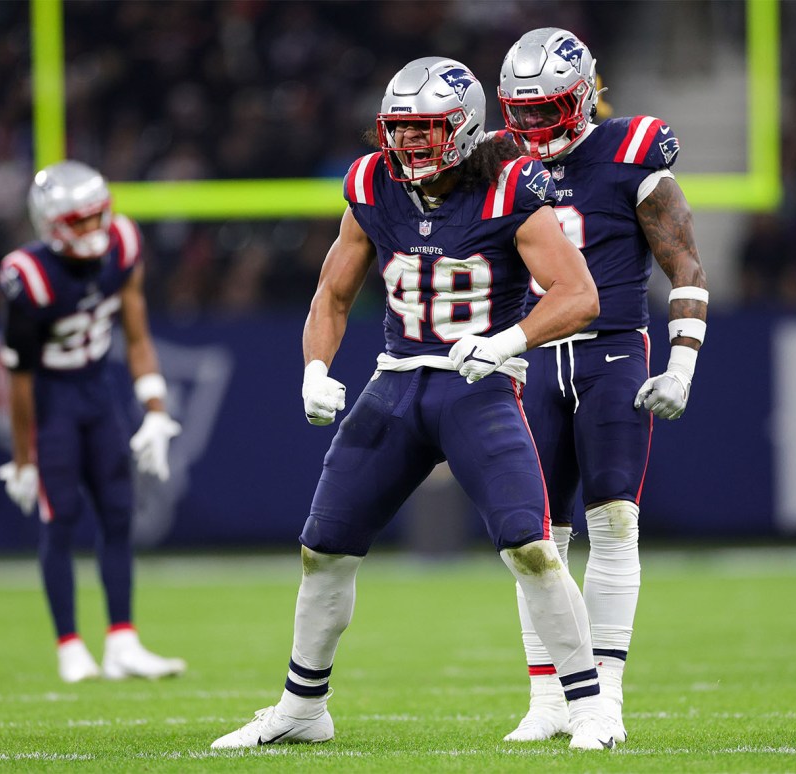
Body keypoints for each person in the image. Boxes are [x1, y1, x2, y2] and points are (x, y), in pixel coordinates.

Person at [212, 56, 616, 751]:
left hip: (477, 387)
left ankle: (591, 709)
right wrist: (314, 369)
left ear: (462, 129)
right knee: (323, 548)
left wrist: (507, 341)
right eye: (400, 129)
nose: (408, 145)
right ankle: (303, 706)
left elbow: (580, 296)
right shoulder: (372, 183)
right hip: (396, 380)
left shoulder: (511, 185)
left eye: (426, 130)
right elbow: (332, 295)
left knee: (530, 544)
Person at [496, 28, 709, 743]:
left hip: (613, 353)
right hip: (530, 357)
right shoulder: (499, 162)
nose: (529, 126)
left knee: (613, 519)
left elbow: (685, 266)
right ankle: (549, 699)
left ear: (584, 94)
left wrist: (680, 365)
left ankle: (604, 696)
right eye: (519, 112)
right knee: (535, 536)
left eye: (545, 108)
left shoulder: (631, 151)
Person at [0, 160, 187, 683]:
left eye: (97, 216)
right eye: (79, 221)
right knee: (60, 518)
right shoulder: (28, 276)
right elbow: (19, 376)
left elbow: (137, 331)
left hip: (99, 390)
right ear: (50, 223)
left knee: (119, 512)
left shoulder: (122, 244)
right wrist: (22, 458)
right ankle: (69, 646)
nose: (93, 230)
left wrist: (155, 409)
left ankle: (122, 641)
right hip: (54, 399)